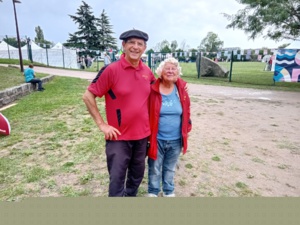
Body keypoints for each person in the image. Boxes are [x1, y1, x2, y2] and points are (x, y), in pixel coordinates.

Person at [82, 29, 155, 197]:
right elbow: (88, 96)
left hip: (142, 136)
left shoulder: (147, 71)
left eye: (140, 44)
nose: (135, 47)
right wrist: (102, 125)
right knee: (116, 179)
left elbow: (158, 92)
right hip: (118, 138)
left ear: (144, 48)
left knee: (136, 176)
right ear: (123, 45)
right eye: (131, 43)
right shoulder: (111, 70)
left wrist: (179, 85)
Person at [147, 57, 192, 197]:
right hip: (157, 138)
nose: (170, 71)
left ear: (177, 72)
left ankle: (168, 190)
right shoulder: (152, 89)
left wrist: (187, 128)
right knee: (154, 167)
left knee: (170, 168)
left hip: (176, 138)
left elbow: (187, 110)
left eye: (174, 69)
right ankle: (153, 191)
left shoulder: (181, 90)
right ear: (161, 72)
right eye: (167, 68)